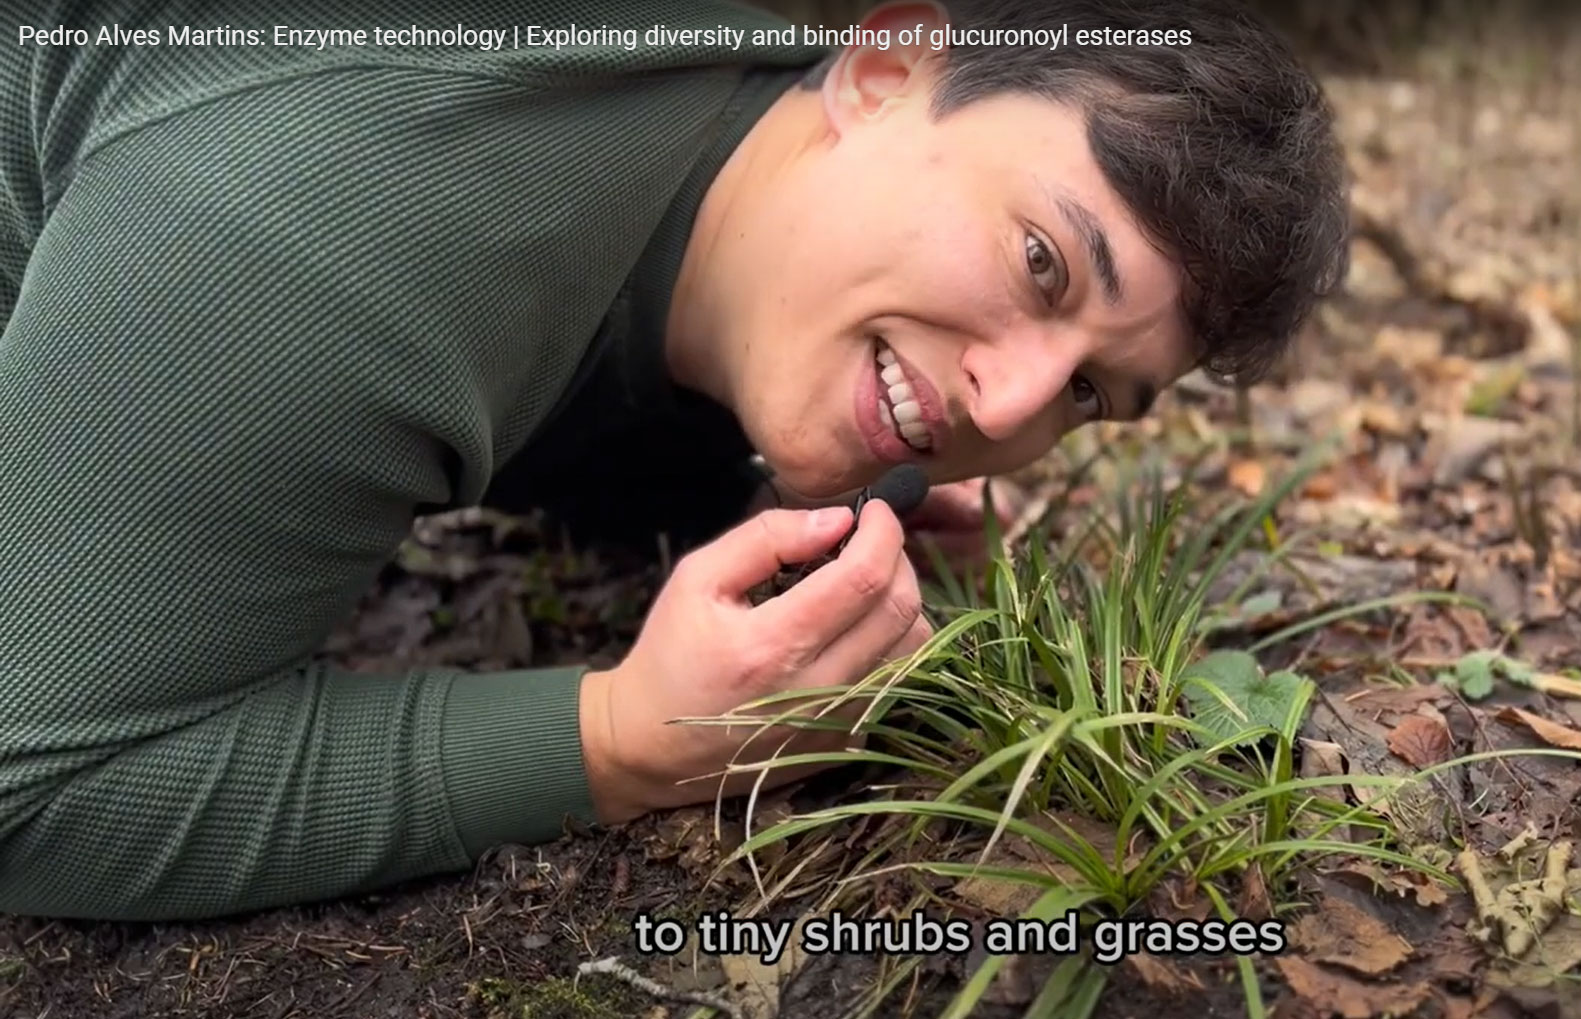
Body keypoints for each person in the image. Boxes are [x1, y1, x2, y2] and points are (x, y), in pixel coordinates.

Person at [0, 0, 1347, 921]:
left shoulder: (723, 121)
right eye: (1041, 261)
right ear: (884, 72)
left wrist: (834, 471)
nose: (1009, 405)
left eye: (1094, 395)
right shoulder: (321, 246)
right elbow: (30, 790)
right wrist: (622, 741)